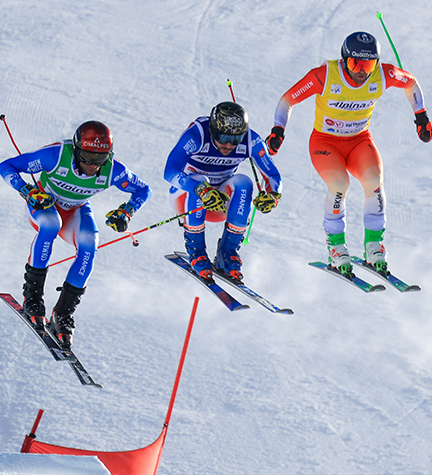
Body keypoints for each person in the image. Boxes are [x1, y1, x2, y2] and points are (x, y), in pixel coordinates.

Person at [266, 31, 432, 277]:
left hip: (359, 141)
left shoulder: (383, 74)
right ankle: (336, 246)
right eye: (356, 64)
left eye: (368, 65)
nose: (362, 72)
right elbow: (287, 100)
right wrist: (278, 130)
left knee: (375, 183)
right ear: (344, 60)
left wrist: (421, 117)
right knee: (339, 185)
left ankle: (374, 245)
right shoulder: (324, 76)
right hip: (326, 143)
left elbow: (410, 82)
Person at [0, 121, 151, 349]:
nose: (92, 166)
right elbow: (7, 166)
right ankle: (33, 299)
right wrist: (27, 191)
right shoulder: (55, 156)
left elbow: (143, 189)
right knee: (51, 224)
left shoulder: (113, 170)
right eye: (87, 158)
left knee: (90, 244)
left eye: (100, 159)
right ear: (76, 149)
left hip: (76, 209)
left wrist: (127, 212)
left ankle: (62, 314)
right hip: (44, 203)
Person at [164, 101, 282, 282]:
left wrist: (272, 196)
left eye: (235, 139)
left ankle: (227, 253)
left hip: (220, 203)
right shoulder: (197, 135)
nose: (228, 145)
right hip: (187, 199)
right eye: (223, 137)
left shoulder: (251, 140)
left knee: (244, 182)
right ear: (212, 130)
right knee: (200, 180)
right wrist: (201, 190)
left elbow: (272, 175)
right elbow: (170, 171)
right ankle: (196, 251)